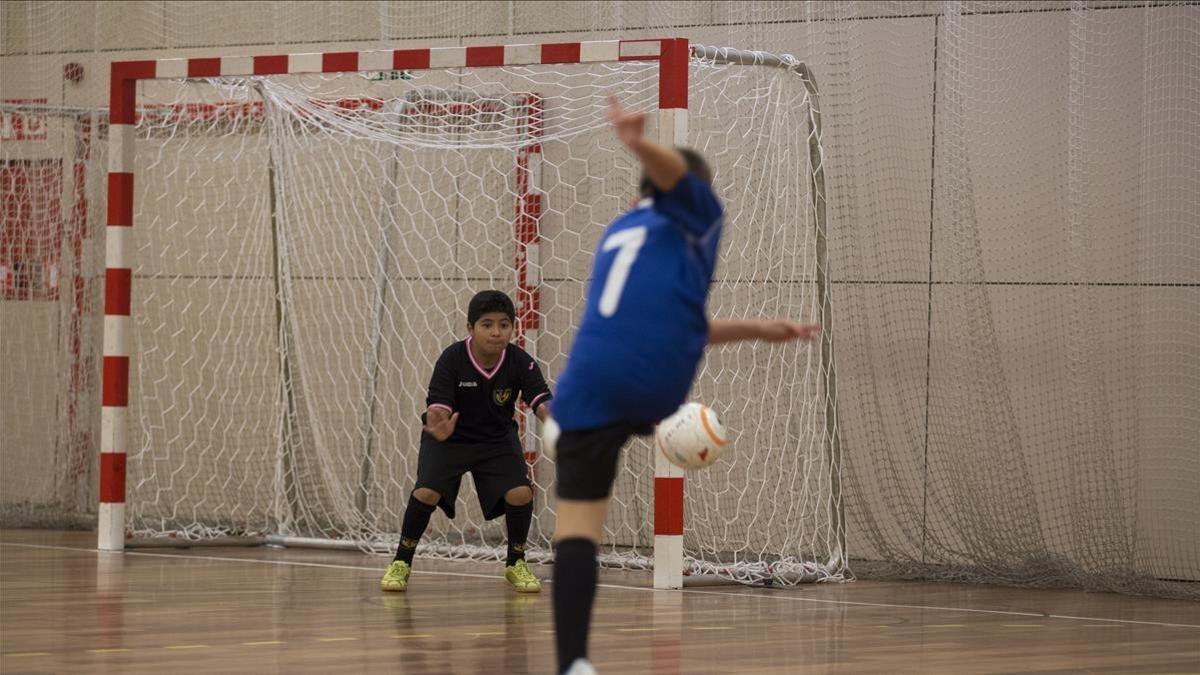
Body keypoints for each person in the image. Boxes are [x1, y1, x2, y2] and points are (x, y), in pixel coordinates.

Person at [548, 97, 822, 675]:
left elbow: (675, 323)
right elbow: (676, 174)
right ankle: (635, 423)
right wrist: (637, 142)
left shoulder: (620, 229)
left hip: (585, 384)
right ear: (692, 191)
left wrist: (757, 329)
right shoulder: (698, 213)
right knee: (662, 418)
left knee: (577, 533)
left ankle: (573, 663)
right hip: (652, 385)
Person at [380, 290, 552, 594]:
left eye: (504, 325)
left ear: (513, 328)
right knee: (427, 492)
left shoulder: (520, 361)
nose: (496, 332)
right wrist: (437, 422)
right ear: (470, 328)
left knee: (520, 493)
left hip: (496, 439)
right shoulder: (452, 358)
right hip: (450, 438)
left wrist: (560, 425)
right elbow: (438, 405)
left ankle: (516, 563)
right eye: (487, 324)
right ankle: (401, 561)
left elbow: (540, 400)